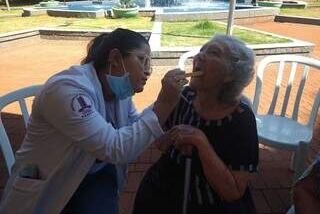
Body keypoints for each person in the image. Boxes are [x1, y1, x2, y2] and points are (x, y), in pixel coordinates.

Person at [0, 28, 188, 214]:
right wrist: (164, 102)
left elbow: (133, 127)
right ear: (114, 58)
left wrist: (160, 134)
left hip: (93, 175)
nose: (147, 71)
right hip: (53, 180)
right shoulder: (67, 90)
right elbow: (116, 149)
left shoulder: (119, 91)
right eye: (142, 60)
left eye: (150, 63)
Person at [133, 35, 259, 214]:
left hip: (210, 204)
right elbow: (160, 144)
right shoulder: (184, 96)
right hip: (161, 192)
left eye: (213, 52)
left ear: (231, 74)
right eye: (201, 50)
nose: (199, 56)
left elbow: (233, 192)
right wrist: (165, 100)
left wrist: (200, 143)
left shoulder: (241, 119)